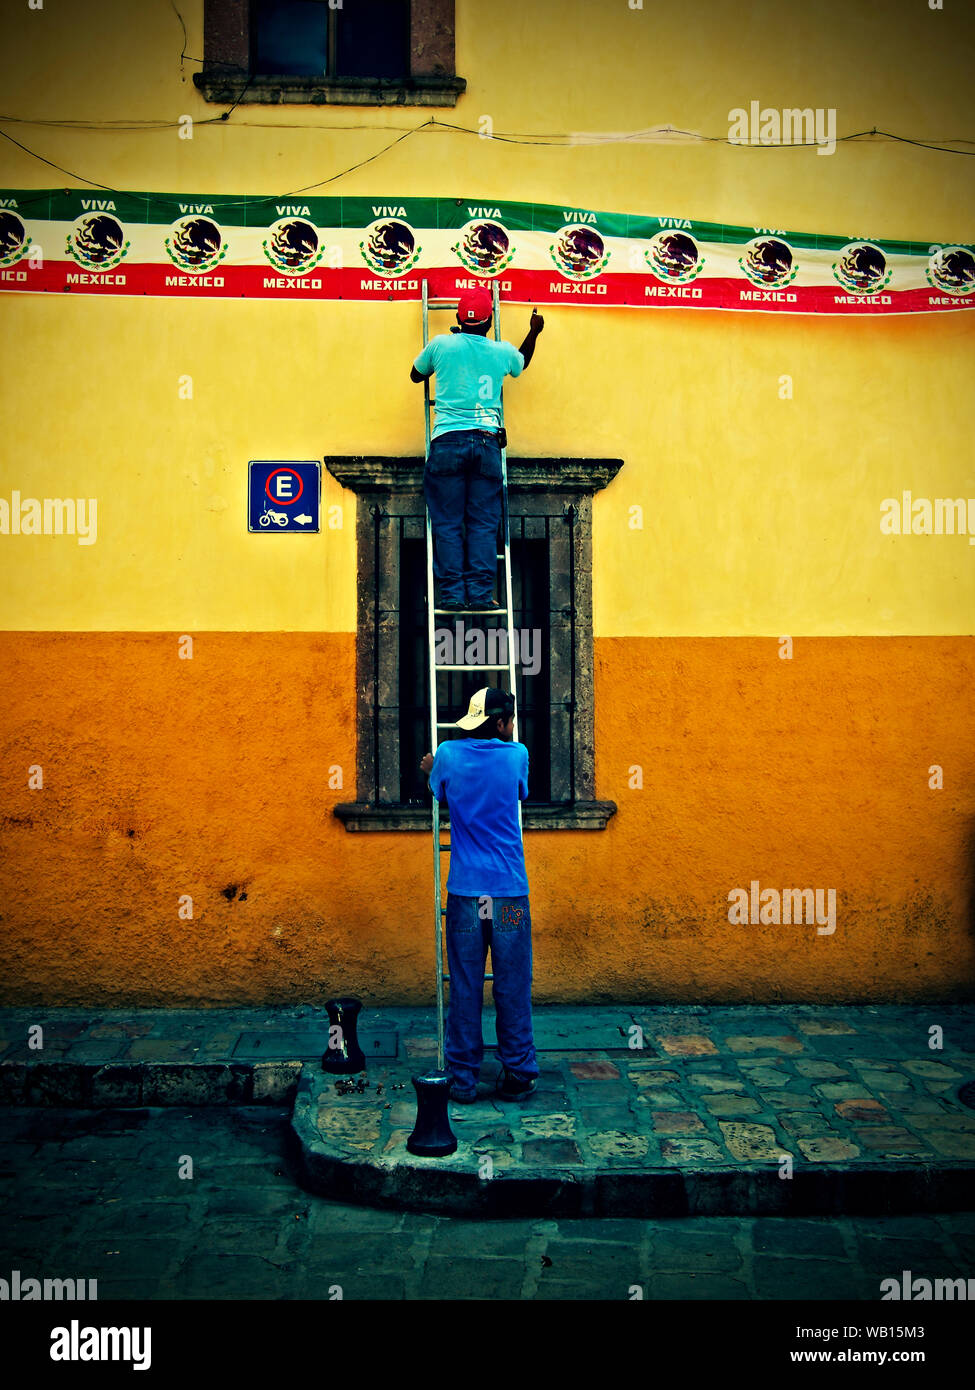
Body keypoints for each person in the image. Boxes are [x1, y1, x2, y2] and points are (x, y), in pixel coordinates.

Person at [419, 686, 539, 1102]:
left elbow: (438, 786)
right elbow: (520, 791)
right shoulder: (517, 755)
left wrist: (431, 767)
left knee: (466, 984)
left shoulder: (448, 755)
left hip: (467, 895)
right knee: (511, 983)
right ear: (504, 722)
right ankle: (519, 1072)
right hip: (508, 894)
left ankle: (464, 1079)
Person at [411, 287, 544, 611]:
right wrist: (533, 331)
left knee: (447, 523)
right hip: (486, 442)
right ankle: (482, 595)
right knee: (483, 523)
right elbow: (521, 362)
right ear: (489, 322)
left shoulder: (441, 345)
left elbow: (416, 375)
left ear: (458, 317)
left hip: (447, 441)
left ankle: (454, 594)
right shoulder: (500, 351)